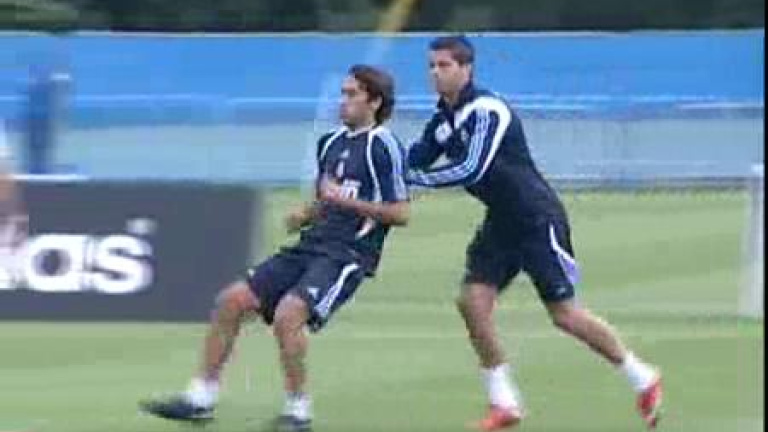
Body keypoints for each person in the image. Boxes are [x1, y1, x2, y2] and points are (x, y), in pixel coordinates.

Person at [406, 36, 662, 431]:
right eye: (431, 66)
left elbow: (472, 167)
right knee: (472, 301)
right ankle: (504, 402)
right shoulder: (442, 123)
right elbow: (411, 161)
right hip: (502, 221)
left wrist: (418, 179)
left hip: (536, 218)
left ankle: (642, 377)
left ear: (466, 69)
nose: (435, 73)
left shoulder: (487, 110)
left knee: (564, 314)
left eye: (444, 65)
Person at [140, 64, 409, 432]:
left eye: (352, 94)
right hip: (311, 245)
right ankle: (200, 398)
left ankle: (298, 410)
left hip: (347, 254)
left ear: (375, 102)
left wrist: (344, 202)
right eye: (343, 93)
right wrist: (306, 214)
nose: (343, 101)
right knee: (231, 301)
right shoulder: (330, 143)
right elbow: (326, 199)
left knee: (288, 316)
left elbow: (399, 212)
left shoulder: (384, 145)